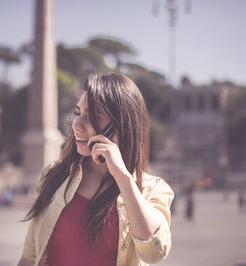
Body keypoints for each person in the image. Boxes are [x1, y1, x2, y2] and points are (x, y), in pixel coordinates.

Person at [17, 72, 174, 266]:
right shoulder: (53, 175)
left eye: (92, 116)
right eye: (77, 113)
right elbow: (30, 256)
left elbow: (154, 253)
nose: (76, 124)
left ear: (121, 125)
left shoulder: (153, 189)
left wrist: (123, 177)